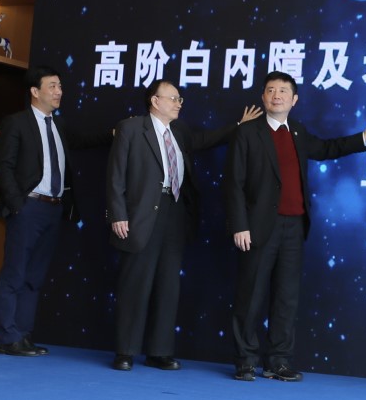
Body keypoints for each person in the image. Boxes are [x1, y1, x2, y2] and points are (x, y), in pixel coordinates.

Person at [225, 71, 366, 382]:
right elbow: (233, 183)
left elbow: (326, 149)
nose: (277, 95)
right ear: (263, 96)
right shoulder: (247, 132)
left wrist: (363, 138)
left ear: (294, 99)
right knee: (251, 294)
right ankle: (245, 360)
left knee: (286, 297)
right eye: (271, 90)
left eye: (283, 91)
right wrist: (239, 225)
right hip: (258, 227)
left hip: (294, 225)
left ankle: (278, 361)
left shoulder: (298, 132)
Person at [106, 80, 261, 372]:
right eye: (174, 98)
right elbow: (115, 175)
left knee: (168, 284)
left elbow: (204, 140)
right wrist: (117, 214)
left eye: (180, 99)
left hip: (175, 212)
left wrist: (239, 126)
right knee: (135, 283)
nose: (179, 103)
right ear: (155, 101)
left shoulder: (180, 131)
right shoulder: (131, 128)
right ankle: (125, 351)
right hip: (140, 215)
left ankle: (160, 351)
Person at [0, 65, 110, 357]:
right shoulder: (16, 123)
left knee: (34, 276)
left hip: (53, 209)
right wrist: (17, 204)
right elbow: (4, 166)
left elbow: (83, 142)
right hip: (28, 207)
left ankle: (23, 335)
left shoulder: (59, 124)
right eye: (53, 86)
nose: (59, 92)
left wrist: (115, 132)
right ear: (35, 91)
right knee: (15, 273)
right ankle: (8, 337)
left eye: (60, 86)